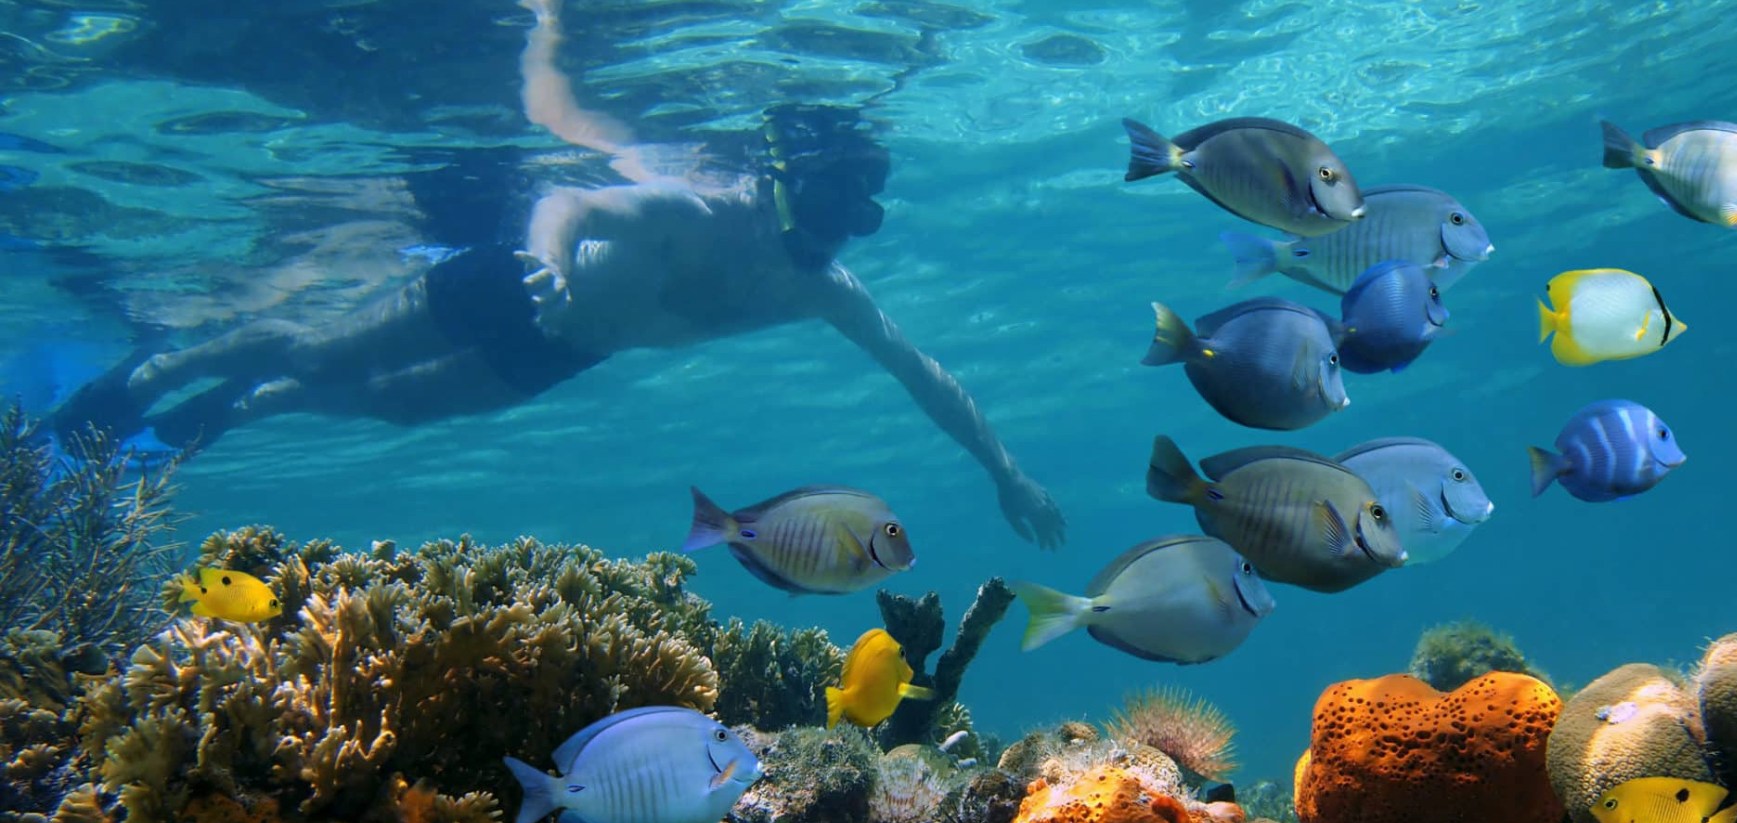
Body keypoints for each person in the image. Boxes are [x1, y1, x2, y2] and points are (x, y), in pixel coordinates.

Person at [52, 0, 1065, 548]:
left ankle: (244, 411)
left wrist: (1005, 473)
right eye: (839, 208)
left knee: (394, 411)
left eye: (861, 222)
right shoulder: (697, 207)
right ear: (789, 182)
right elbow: (566, 204)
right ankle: (145, 378)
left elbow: (922, 371)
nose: (845, 239)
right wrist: (541, 265)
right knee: (321, 345)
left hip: (566, 352)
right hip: (516, 285)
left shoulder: (818, 288)